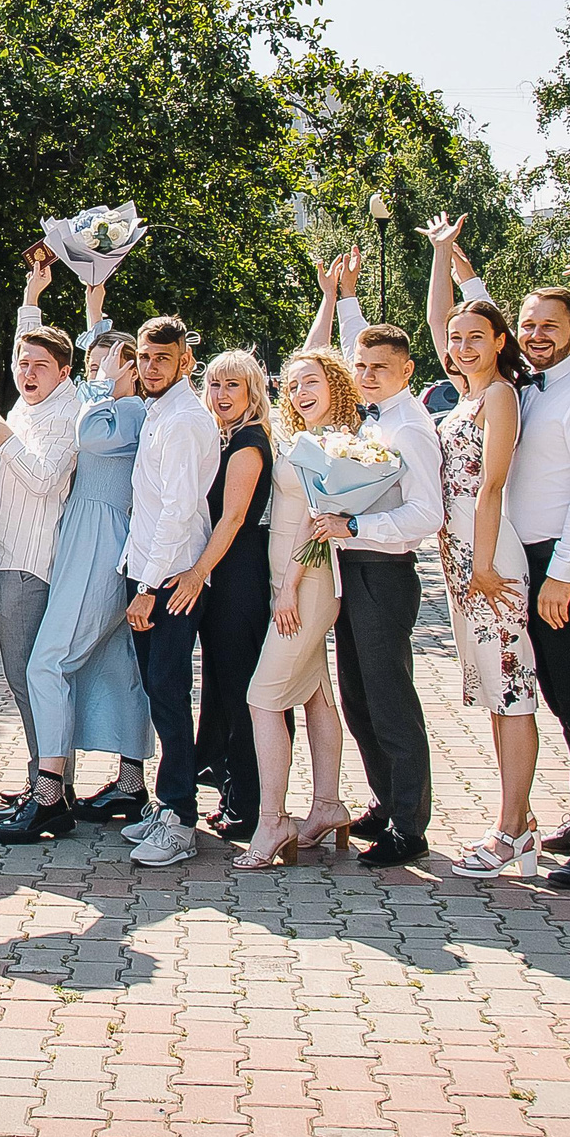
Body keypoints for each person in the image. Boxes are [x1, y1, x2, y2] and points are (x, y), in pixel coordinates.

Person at [437, 241, 570, 892]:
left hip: (567, 563)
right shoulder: (520, 382)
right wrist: (457, 264)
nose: (537, 334)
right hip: (528, 556)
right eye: (529, 325)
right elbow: (474, 326)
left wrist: (563, 575)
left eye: (550, 325)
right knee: (546, 693)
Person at [305, 321, 445, 869]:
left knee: (390, 701)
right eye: (360, 366)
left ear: (406, 371)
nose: (366, 376)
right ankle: (385, 802)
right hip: (353, 567)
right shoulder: (370, 418)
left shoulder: (409, 426)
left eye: (379, 368)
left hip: (385, 571)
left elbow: (426, 513)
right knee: (358, 698)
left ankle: (410, 826)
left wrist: (355, 528)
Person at [18, 330, 158, 845]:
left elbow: (90, 437)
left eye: (107, 364)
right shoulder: (114, 409)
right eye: (94, 364)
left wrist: (104, 384)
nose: (94, 373)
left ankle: (49, 795)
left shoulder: (129, 414)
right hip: (85, 536)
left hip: (103, 540)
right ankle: (130, 782)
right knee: (116, 664)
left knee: (48, 662)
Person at [429, 272, 542, 879]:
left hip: (491, 564)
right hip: (461, 564)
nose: (463, 346)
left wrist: (486, 564)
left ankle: (510, 832)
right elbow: (436, 320)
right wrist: (442, 254)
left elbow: (492, 483)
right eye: (456, 339)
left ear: (500, 341)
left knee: (514, 696)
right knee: (497, 700)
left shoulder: (499, 395)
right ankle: (516, 822)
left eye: (477, 337)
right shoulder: (464, 392)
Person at [234, 346, 358, 871]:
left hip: (305, 582)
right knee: (315, 691)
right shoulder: (308, 438)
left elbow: (317, 519)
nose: (301, 392)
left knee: (263, 699)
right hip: (290, 581)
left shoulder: (333, 445)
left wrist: (288, 587)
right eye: (293, 383)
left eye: (312, 382)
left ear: (335, 385)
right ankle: (328, 805)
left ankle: (271, 819)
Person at [0, 252, 85, 805]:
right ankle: (46, 777)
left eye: (39, 367)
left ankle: (50, 784)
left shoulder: (68, 415)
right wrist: (32, 295)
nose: (26, 373)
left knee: (26, 677)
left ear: (65, 372)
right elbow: (33, 341)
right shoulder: (32, 401)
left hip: (31, 564)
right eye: (21, 365)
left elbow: (45, 479)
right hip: (9, 558)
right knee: (26, 676)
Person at [118, 316, 219, 866]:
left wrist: (148, 587)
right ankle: (167, 804)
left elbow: (180, 512)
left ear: (186, 361)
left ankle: (180, 816)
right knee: (161, 695)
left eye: (163, 357)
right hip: (150, 572)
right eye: (144, 356)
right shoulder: (161, 411)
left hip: (171, 582)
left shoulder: (182, 419)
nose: (151, 366)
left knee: (170, 696)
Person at [189, 350, 274, 841]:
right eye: (216, 385)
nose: (221, 395)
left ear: (251, 393)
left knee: (240, 691)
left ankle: (249, 802)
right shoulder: (221, 438)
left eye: (232, 388)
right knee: (220, 688)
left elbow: (234, 517)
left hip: (237, 573)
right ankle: (228, 788)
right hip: (223, 571)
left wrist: (200, 572)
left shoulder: (247, 443)